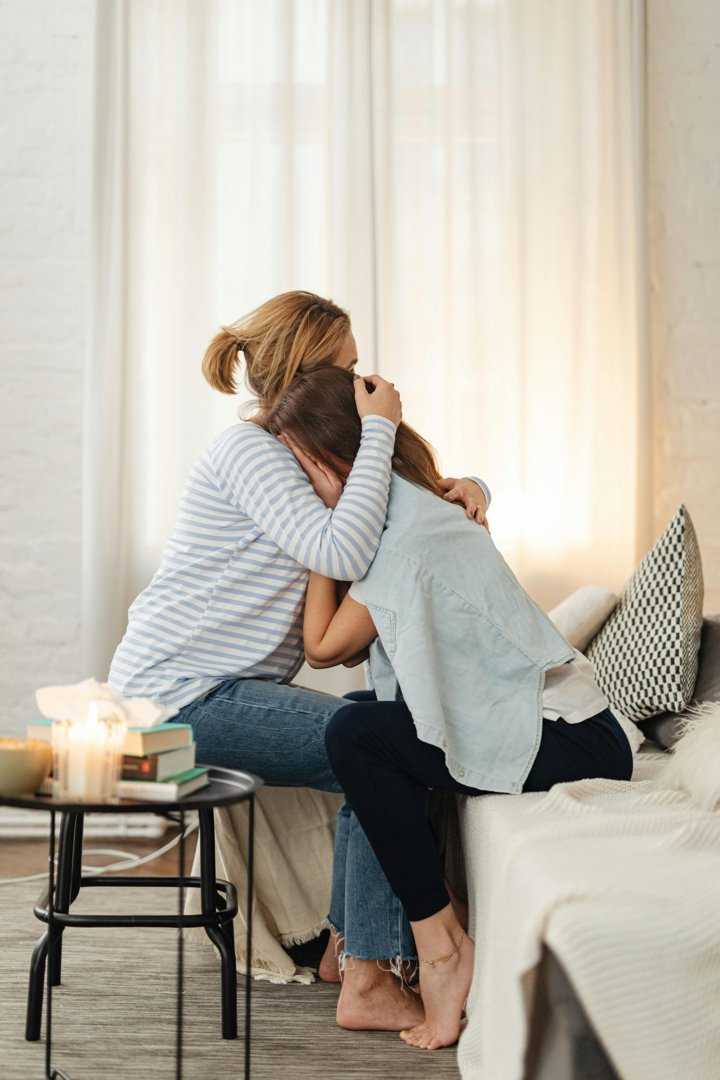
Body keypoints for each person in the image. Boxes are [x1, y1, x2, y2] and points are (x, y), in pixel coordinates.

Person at [108, 289, 491, 1029]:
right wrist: (380, 429)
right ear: (307, 375)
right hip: (174, 699)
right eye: (348, 368)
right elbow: (341, 550)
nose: (362, 383)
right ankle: (370, 978)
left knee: (376, 728)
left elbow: (392, 509)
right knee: (376, 752)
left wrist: (474, 486)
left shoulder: (299, 455)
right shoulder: (247, 452)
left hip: (214, 692)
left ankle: (347, 950)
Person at [263, 366, 634, 1050]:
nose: (293, 485)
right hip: (549, 725)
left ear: (335, 457)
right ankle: (368, 939)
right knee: (365, 721)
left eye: (299, 466)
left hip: (573, 736)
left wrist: (323, 538)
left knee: (356, 733)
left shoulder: (405, 531)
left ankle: (443, 950)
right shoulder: (402, 511)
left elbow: (323, 647)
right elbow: (348, 651)